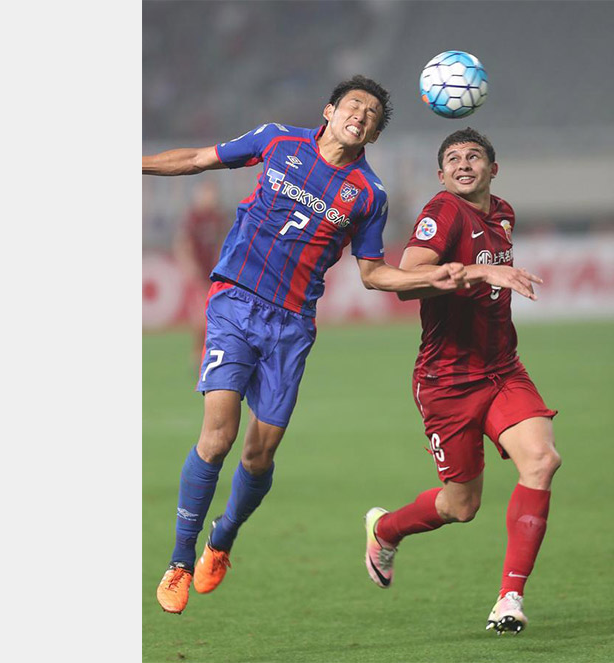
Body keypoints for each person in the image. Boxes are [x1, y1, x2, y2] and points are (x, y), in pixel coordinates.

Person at [142, 75, 468, 614]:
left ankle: (222, 540)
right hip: (234, 303)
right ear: (330, 110)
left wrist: (429, 280)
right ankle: (179, 559)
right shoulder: (278, 140)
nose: (360, 116)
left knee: (259, 451)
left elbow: (373, 273)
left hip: (291, 326)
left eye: (371, 115)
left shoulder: (368, 195)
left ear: (374, 135)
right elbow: (199, 159)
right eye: (353, 106)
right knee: (218, 435)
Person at [363, 128, 561, 635]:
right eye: (452, 158)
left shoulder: (503, 213)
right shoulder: (443, 213)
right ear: (441, 175)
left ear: (494, 169)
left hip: (502, 369)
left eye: (474, 156)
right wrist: (478, 273)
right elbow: (409, 278)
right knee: (461, 505)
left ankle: (509, 599)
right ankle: (385, 529)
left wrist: (488, 274)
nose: (463, 163)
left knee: (541, 459)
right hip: (448, 380)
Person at [173, 180, 229, 366]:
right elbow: (183, 244)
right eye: (206, 193)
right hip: (199, 272)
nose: (209, 198)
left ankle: (211, 352)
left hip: (216, 272)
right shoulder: (193, 218)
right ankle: (199, 353)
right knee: (201, 315)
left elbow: (226, 240)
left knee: (216, 313)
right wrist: (189, 266)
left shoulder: (219, 218)